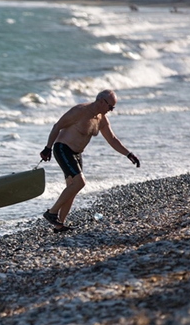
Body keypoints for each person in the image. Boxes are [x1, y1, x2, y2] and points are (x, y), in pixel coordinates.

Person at [39, 89, 139, 232]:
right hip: (63, 149)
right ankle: (52, 212)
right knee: (80, 182)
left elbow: (112, 139)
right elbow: (57, 126)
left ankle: (59, 224)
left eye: (113, 108)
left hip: (77, 153)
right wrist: (47, 148)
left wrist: (129, 154)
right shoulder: (79, 111)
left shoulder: (101, 119)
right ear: (101, 101)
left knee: (72, 187)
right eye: (110, 107)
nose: (111, 110)